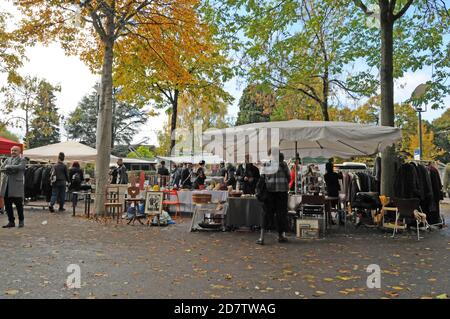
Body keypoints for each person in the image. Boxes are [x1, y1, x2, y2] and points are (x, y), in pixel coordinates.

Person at [256, 151, 290, 245]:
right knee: (281, 214)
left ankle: (261, 238)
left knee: (266, 214)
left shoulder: (266, 165)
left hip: (269, 193)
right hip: (282, 193)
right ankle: (280, 236)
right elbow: (289, 177)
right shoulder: (284, 165)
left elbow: (262, 179)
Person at [0, 146, 27, 228]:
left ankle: (21, 221)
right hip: (6, 185)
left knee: (19, 205)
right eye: (12, 150)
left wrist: (9, 167)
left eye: (15, 150)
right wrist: (11, 169)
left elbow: (21, 167)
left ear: (19, 152)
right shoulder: (7, 160)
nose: (13, 152)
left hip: (16, 186)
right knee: (7, 206)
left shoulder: (22, 159)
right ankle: (11, 221)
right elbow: (1, 168)